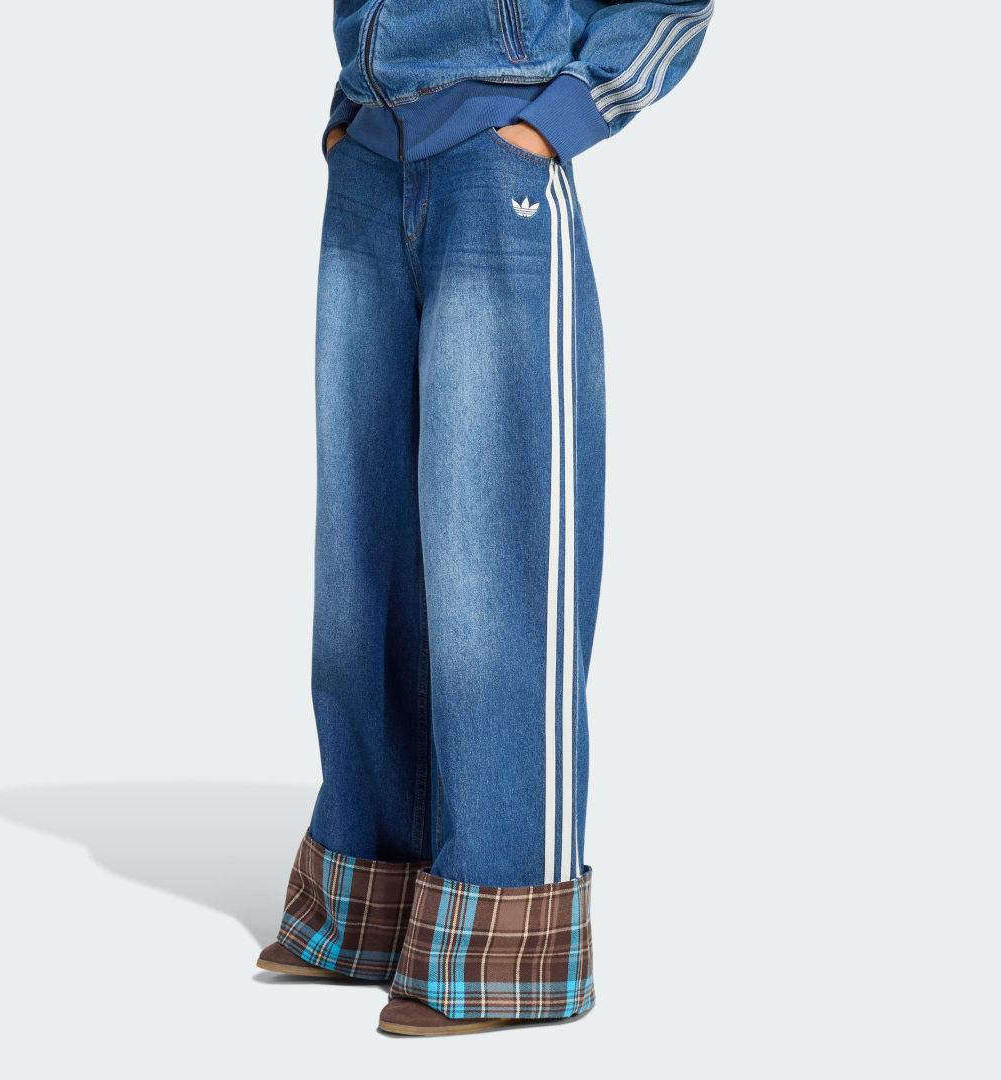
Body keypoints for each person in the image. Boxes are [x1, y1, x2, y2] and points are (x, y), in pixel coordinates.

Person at [256, 0, 714, 1036]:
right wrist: (346, 114)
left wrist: (562, 117)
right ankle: (370, 904)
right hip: (370, 160)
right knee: (362, 570)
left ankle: (508, 947)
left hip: (495, 167)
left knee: (495, 561)